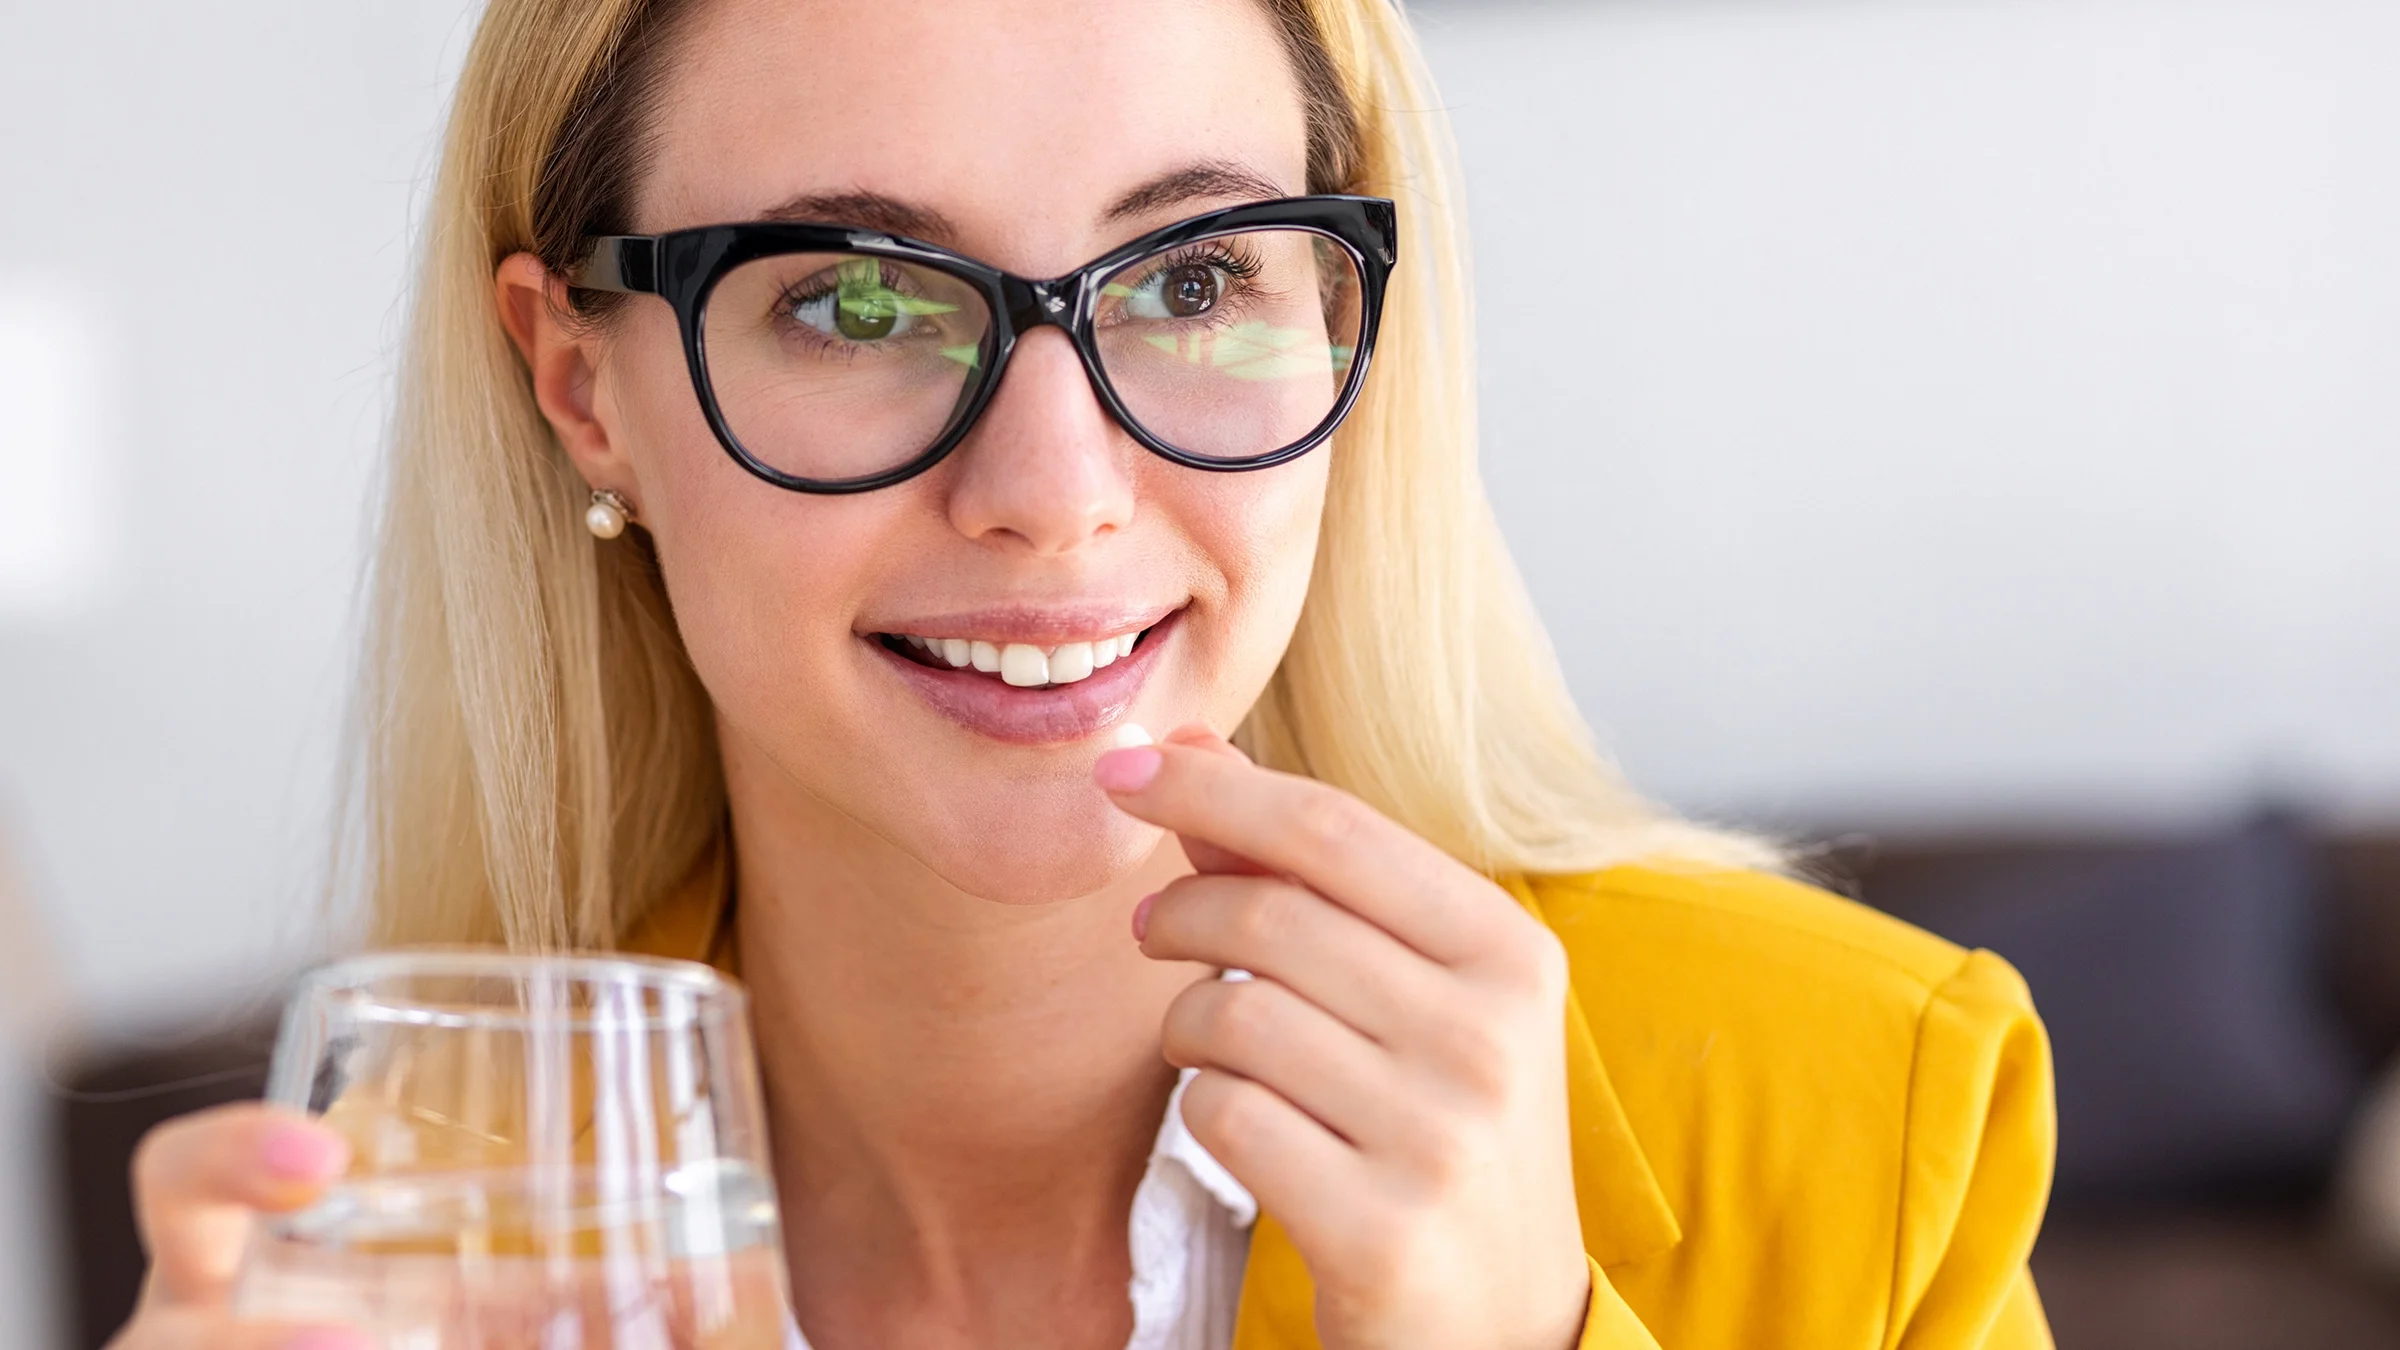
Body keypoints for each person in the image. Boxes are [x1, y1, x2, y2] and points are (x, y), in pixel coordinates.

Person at [105, 1, 2057, 1347]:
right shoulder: (402, 1220)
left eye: (1195, 279)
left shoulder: (1869, 1109)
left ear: (1349, 322)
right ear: (582, 386)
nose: (1054, 494)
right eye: (856, 298)